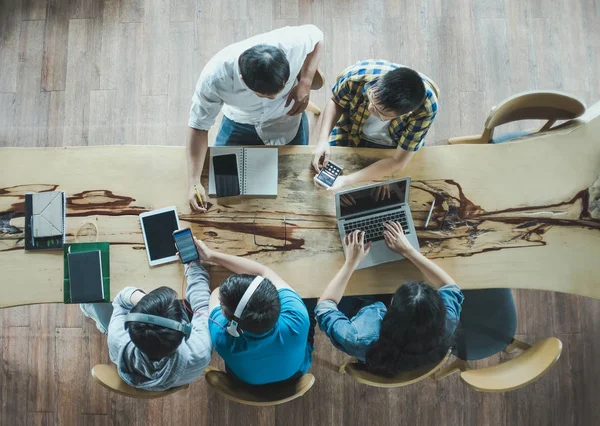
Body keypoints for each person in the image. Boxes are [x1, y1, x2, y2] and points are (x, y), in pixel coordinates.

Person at [187, 25, 324, 212]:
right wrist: (194, 182)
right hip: (240, 121)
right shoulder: (214, 79)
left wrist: (305, 82)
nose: (274, 98)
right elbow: (198, 127)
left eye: (279, 90)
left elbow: (317, 37)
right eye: (266, 95)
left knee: (295, 184)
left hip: (287, 117)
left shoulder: (291, 43)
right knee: (225, 189)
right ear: (243, 80)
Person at [315, 223, 463, 376]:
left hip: (368, 332)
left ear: (390, 306)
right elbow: (450, 286)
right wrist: (409, 251)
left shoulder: (358, 336)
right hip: (407, 362)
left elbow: (324, 307)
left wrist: (350, 263)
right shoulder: (446, 324)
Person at [80, 257, 212, 391]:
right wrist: (192, 263)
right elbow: (202, 306)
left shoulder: (117, 339)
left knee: (92, 300)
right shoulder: (199, 352)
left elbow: (120, 300)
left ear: (129, 326)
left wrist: (146, 302)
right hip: (179, 376)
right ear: (185, 330)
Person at [194, 238, 313, 385]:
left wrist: (211, 256)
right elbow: (264, 272)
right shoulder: (297, 315)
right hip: (294, 374)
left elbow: (215, 293)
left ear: (232, 322)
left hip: (246, 382)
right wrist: (212, 255)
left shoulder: (221, 337)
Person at [312, 60, 438, 191]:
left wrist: (346, 181)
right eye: (372, 98)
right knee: (326, 166)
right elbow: (335, 101)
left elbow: (398, 161)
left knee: (382, 192)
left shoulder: (426, 109)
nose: (370, 108)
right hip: (351, 129)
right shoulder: (356, 78)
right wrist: (322, 139)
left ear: (406, 114)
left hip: (393, 144)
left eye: (380, 112)